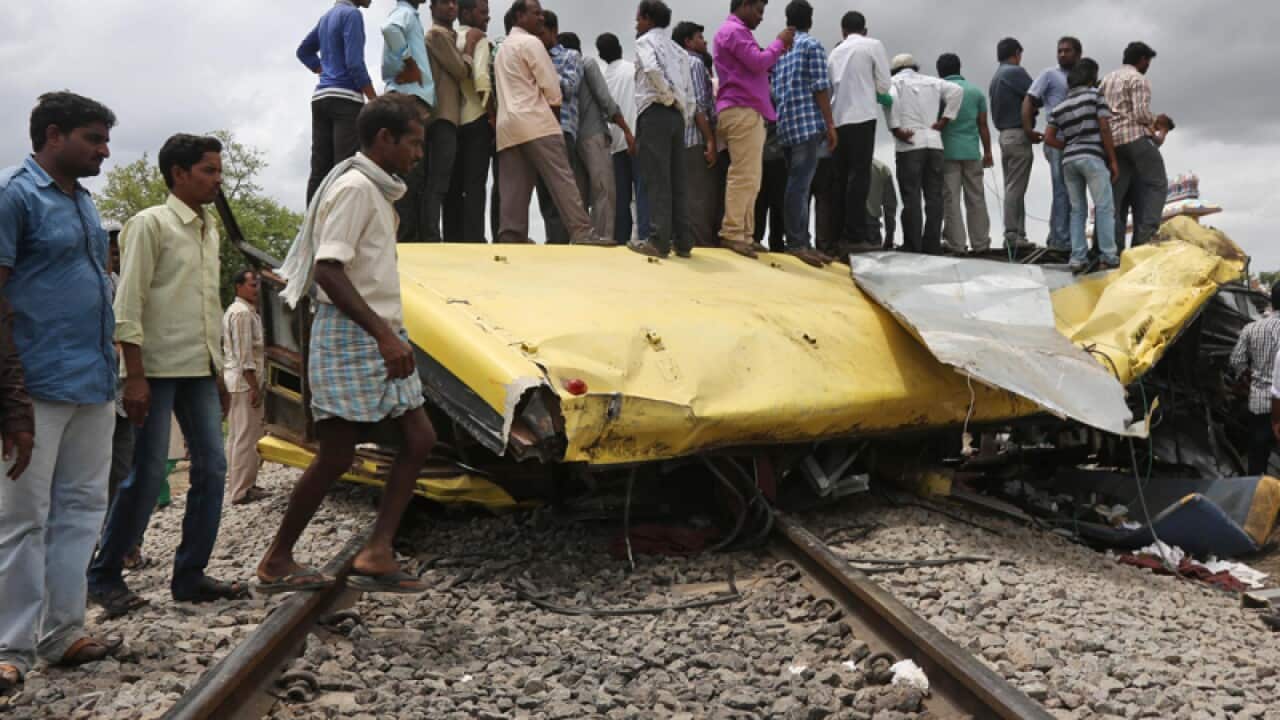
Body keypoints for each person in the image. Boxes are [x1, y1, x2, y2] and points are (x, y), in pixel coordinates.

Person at [259, 94, 436, 595]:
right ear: (385, 139)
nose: (418, 155)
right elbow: (328, 270)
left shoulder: (376, 190)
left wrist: (389, 332)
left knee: (419, 439)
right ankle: (276, 559)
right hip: (353, 335)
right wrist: (382, 335)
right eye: (414, 143)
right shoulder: (357, 188)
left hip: (379, 331)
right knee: (336, 455)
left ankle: (377, 551)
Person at [89, 134, 249, 616]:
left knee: (213, 468)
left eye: (219, 171)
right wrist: (133, 375)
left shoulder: (209, 229)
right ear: (179, 173)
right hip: (154, 370)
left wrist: (218, 371)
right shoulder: (150, 224)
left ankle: (191, 574)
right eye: (208, 171)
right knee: (147, 472)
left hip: (198, 369)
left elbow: (205, 306)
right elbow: (128, 302)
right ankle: (105, 573)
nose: (217, 181)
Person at [0, 92, 118, 692]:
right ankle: (9, 647)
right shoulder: (13, 196)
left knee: (79, 511)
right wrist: (12, 401)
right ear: (53, 135)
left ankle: (63, 632)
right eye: (93, 139)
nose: (103, 150)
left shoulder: (84, 202)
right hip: (36, 386)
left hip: (93, 382)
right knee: (21, 519)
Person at [493, 0, 605, 245]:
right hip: (537, 121)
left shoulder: (503, 48)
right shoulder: (532, 43)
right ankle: (582, 231)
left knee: (513, 187)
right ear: (520, 16)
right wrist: (554, 123)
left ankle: (511, 236)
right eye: (536, 13)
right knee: (562, 180)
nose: (541, 18)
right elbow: (552, 87)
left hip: (507, 126)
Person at [713, 0, 794, 258]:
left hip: (744, 109)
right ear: (745, 5)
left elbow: (759, 64)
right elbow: (759, 62)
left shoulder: (736, 32)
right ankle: (734, 232)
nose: (761, 17)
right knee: (744, 175)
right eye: (758, 10)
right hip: (742, 108)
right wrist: (779, 42)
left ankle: (745, 234)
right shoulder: (734, 32)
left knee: (751, 176)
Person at [629, 0, 696, 258]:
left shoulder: (644, 42)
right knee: (678, 179)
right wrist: (681, 110)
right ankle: (683, 241)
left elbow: (652, 69)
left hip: (654, 111)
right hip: (677, 117)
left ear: (647, 18)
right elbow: (689, 91)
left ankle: (658, 240)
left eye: (639, 18)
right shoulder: (679, 50)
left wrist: (665, 95)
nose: (637, 23)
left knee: (657, 178)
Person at [770, 0, 835, 267]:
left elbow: (773, 91)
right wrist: (830, 124)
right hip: (808, 124)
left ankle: (799, 240)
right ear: (810, 19)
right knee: (800, 185)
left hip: (785, 126)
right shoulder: (812, 46)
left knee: (795, 185)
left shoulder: (781, 50)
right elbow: (821, 87)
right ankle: (797, 243)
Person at [1043, 58, 1120, 273]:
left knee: (1077, 210)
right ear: (1091, 77)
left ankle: (1077, 257)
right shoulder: (1096, 97)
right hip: (1093, 158)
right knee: (1104, 207)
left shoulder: (1059, 107)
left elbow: (1048, 138)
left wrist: (1067, 144)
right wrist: (1112, 160)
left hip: (1069, 161)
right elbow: (1104, 128)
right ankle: (1108, 256)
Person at [297, 0, 378, 204]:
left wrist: (323, 69)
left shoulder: (326, 17)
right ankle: (340, 226)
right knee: (344, 167)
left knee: (320, 169)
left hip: (321, 97)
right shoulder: (352, 15)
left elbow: (304, 51)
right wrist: (374, 100)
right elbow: (355, 64)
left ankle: (313, 227)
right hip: (346, 99)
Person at [827, 11, 891, 255]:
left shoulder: (834, 53)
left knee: (840, 179)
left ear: (843, 31)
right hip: (862, 116)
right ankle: (855, 236)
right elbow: (884, 84)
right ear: (865, 29)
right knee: (859, 177)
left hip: (838, 119)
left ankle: (837, 236)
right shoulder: (872, 45)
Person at [560, 32, 635, 243]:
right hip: (593, 135)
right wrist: (626, 130)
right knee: (604, 190)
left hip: (573, 139)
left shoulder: (561, 69)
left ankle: (581, 238)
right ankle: (602, 237)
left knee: (580, 193)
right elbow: (605, 99)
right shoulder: (586, 63)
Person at [887, 54, 962, 255]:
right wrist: (945, 120)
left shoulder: (895, 82)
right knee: (934, 197)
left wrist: (895, 128)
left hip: (910, 143)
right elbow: (957, 91)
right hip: (934, 142)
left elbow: (891, 98)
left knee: (911, 196)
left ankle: (913, 245)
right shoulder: (932, 81)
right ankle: (932, 245)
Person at [423, 0, 484, 242]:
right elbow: (461, 70)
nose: (451, 7)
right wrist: (470, 44)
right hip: (443, 116)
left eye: (453, 3)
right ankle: (430, 235)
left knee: (444, 181)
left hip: (448, 116)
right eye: (445, 3)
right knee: (438, 181)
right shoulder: (437, 36)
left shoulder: (446, 35)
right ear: (432, 8)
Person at [1101, 42, 1170, 250]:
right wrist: (1157, 121)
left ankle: (1111, 246)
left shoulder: (1106, 80)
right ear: (1142, 60)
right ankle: (1146, 237)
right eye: (1147, 61)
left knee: (1116, 199)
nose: (1147, 65)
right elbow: (1141, 114)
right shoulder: (1139, 79)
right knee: (1157, 184)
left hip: (1112, 144)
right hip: (1134, 138)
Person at [382, 0, 436, 243]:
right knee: (409, 172)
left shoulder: (411, 15)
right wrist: (409, 62)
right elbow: (390, 29)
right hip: (409, 98)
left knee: (412, 173)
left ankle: (405, 238)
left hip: (410, 98)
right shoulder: (404, 13)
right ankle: (404, 240)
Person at [532, 11, 585, 246]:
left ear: (554, 31)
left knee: (562, 192)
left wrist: (542, 74)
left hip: (562, 130)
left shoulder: (570, 56)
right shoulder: (532, 56)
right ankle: (555, 242)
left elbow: (570, 87)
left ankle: (563, 242)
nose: (538, 38)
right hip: (538, 130)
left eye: (541, 33)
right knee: (544, 194)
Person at [1023, 36, 1082, 252]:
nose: (1063, 54)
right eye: (1060, 51)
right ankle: (1061, 241)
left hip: (1077, 141)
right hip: (1055, 139)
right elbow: (1030, 99)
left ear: (1078, 54)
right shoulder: (1050, 74)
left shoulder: (1082, 77)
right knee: (1062, 190)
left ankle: (1056, 236)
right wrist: (1028, 129)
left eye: (1067, 51)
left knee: (1070, 191)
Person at [444, 0, 495, 243]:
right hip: (476, 119)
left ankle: (452, 238)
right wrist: (492, 114)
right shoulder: (479, 39)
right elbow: (482, 78)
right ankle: (474, 238)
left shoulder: (448, 39)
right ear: (466, 12)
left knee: (452, 185)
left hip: (451, 121)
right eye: (483, 12)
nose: (487, 18)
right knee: (475, 185)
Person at [598, 33, 651, 245]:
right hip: (637, 138)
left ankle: (621, 239)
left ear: (601, 55)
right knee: (642, 192)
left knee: (620, 197)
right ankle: (645, 237)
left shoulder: (603, 78)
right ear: (620, 47)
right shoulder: (632, 70)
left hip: (614, 144)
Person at [937, 53, 992, 255]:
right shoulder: (976, 92)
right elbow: (983, 125)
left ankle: (956, 244)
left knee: (951, 199)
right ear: (959, 68)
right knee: (976, 198)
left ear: (939, 71)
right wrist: (988, 152)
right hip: (971, 151)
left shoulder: (939, 92)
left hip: (947, 153)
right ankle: (981, 243)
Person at [673, 21, 720, 249]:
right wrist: (710, 140)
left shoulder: (671, 64)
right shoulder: (694, 63)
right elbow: (700, 105)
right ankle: (703, 244)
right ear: (688, 42)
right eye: (700, 37)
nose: (705, 41)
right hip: (694, 138)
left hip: (675, 139)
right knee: (701, 197)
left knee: (682, 196)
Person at [223, 269, 267, 505]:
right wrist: (254, 387)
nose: (257, 289)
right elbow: (244, 355)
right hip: (243, 383)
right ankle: (241, 490)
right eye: (252, 285)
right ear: (239, 287)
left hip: (239, 382)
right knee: (246, 438)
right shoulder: (241, 314)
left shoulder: (245, 312)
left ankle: (241, 484)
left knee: (238, 436)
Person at [988, 37, 1034, 251]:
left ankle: (1018, 232)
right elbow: (1036, 95)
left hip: (1004, 136)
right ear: (1016, 53)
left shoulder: (996, 77)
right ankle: (1013, 234)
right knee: (1016, 188)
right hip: (1018, 135)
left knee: (1012, 186)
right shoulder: (1015, 72)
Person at [1232, 285, 1280, 476]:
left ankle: (1256, 499)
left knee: (1257, 459)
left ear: (1271, 301)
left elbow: (1236, 361)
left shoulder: (1252, 328)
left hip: (1259, 403)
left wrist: (1250, 376)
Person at [868, 158, 898, 249]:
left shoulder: (841, 165)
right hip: (872, 232)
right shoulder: (882, 168)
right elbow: (890, 207)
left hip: (846, 235)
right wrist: (889, 239)